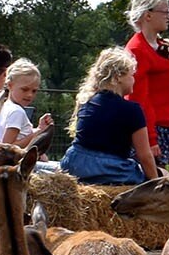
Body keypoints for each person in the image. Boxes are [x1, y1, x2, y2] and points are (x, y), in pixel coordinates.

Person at [64, 46, 158, 185]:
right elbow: (144, 156)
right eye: (131, 75)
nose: (134, 80)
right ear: (117, 77)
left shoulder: (87, 101)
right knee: (165, 174)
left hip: (75, 165)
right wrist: (157, 183)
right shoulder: (132, 110)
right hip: (110, 169)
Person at [122, 0, 169, 169]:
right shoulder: (137, 50)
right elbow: (138, 98)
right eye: (165, 11)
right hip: (151, 131)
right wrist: (150, 138)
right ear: (147, 15)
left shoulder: (161, 46)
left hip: (168, 127)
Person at [0, 58, 44, 146]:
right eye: (25, 89)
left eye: (34, 91)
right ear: (10, 85)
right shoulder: (17, 112)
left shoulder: (5, 106)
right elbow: (8, 146)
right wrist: (38, 133)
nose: (30, 95)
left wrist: (40, 128)